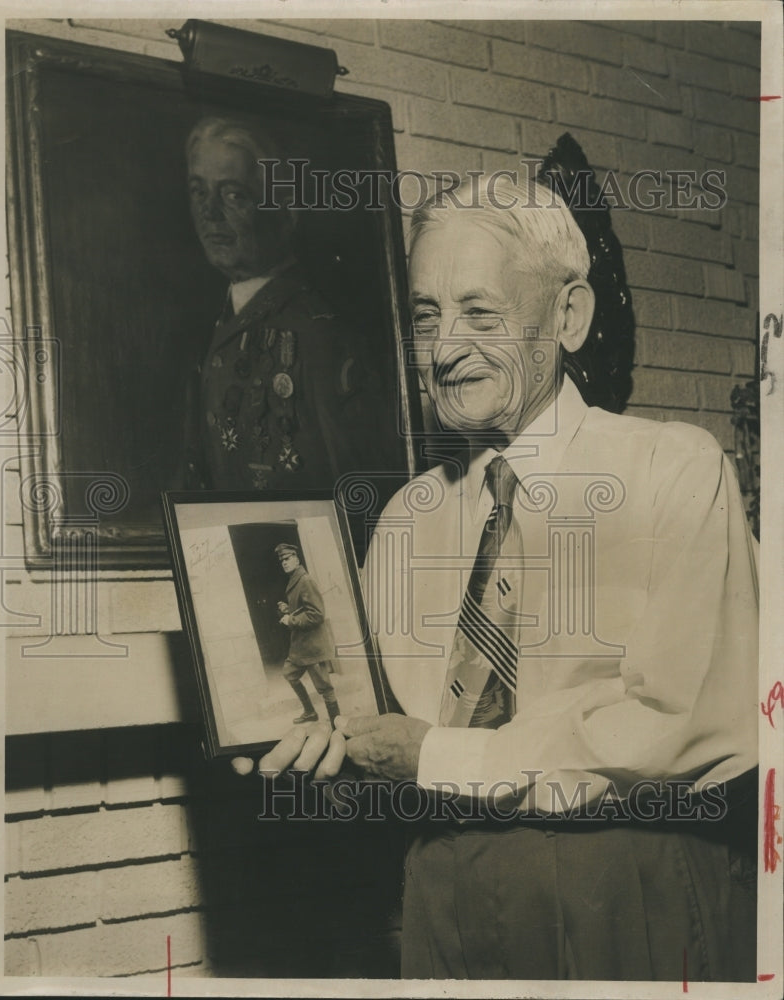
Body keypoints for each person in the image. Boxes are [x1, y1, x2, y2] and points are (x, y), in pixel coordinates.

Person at [236, 172, 759, 982]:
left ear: (569, 316)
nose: (445, 349)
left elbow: (683, 723)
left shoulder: (674, 473)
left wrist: (440, 758)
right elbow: (385, 736)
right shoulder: (406, 520)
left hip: (625, 883)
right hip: (441, 885)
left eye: (480, 314)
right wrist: (308, 746)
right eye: (426, 317)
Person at [183, 115, 369, 492]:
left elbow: (361, 490)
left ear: (285, 212)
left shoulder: (318, 334)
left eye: (233, 194)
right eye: (199, 192)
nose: (209, 212)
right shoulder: (215, 322)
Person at [275, 542, 341, 727]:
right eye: (282, 561)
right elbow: (303, 608)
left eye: (287, 558)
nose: (284, 563)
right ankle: (310, 712)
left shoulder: (305, 581)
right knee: (289, 674)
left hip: (313, 645)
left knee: (324, 687)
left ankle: (337, 724)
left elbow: (317, 614)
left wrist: (290, 620)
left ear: (296, 559)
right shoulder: (295, 580)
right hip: (301, 645)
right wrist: (288, 609)